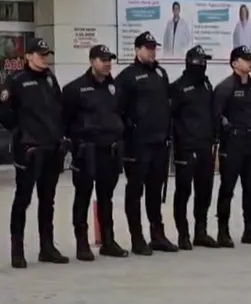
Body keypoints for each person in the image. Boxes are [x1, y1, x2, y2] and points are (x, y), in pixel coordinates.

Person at [0, 36, 70, 268]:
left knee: (48, 200)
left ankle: (47, 247)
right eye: (40, 55)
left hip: (51, 148)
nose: (44, 59)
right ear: (28, 57)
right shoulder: (16, 80)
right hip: (29, 150)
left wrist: (62, 138)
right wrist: (21, 133)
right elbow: (3, 114)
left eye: (47, 55)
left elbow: (59, 110)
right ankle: (17, 249)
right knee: (23, 199)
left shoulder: (50, 79)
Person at [62, 45, 129, 261]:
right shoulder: (75, 89)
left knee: (106, 197)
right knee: (83, 196)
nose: (108, 63)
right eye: (103, 59)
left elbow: (121, 114)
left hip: (109, 150)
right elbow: (65, 121)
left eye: (110, 59)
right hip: (86, 151)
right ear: (92, 61)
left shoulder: (114, 87)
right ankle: (82, 243)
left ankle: (108, 241)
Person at [116, 31, 177, 255]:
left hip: (159, 142)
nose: (152, 51)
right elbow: (118, 109)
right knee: (135, 192)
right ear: (137, 49)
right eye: (148, 47)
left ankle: (157, 234)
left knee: (155, 190)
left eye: (154, 47)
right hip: (137, 145)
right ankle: (137, 237)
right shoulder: (127, 76)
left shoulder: (161, 73)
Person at [213, 45, 251, 247]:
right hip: (233, 143)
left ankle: (250, 229)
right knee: (227, 188)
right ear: (235, 63)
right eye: (246, 59)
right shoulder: (225, 88)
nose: (250, 62)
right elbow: (216, 116)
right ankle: (223, 230)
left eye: (250, 58)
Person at [169, 45, 218, 250]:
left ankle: (201, 231)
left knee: (204, 190)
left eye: (205, 61)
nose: (203, 65)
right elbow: (171, 118)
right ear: (191, 63)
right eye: (200, 61)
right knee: (183, 191)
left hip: (205, 145)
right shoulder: (178, 87)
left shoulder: (206, 85)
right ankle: (183, 233)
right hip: (186, 148)